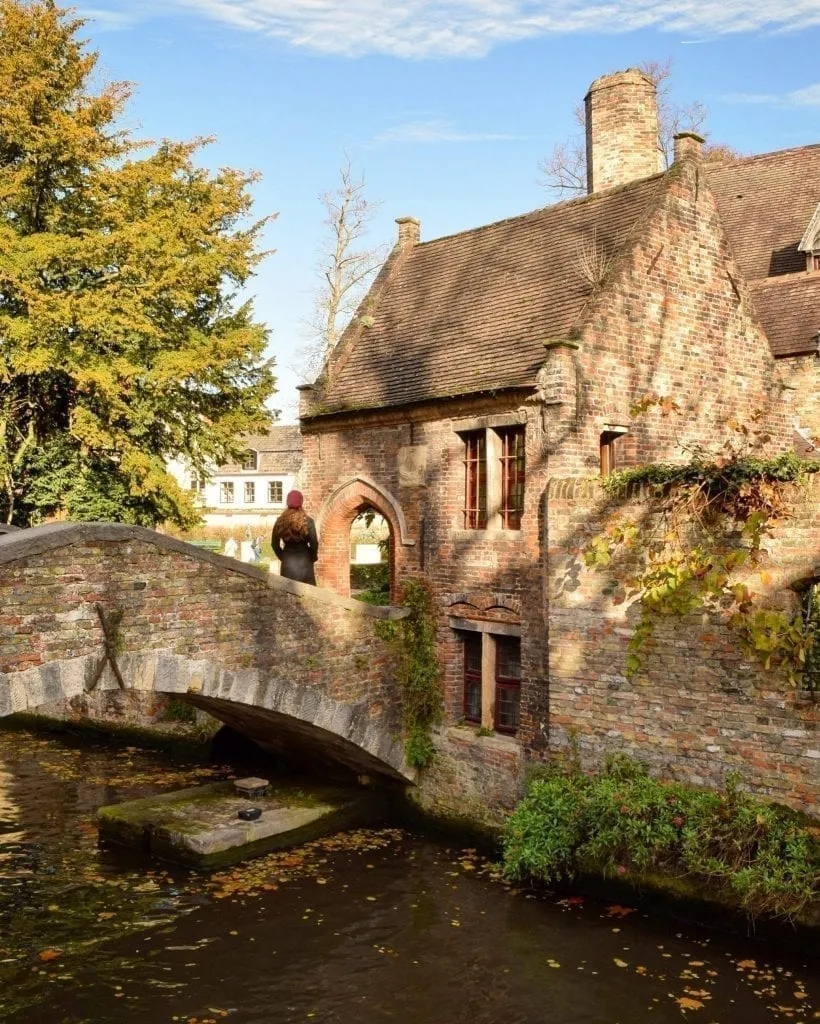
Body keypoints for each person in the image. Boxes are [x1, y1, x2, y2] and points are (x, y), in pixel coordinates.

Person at [271, 490, 319, 584]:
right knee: (308, 593)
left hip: (288, 561)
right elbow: (314, 544)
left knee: (288, 592)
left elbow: (274, 544)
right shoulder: (308, 521)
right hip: (305, 561)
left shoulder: (280, 521)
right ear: (301, 502)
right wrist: (312, 557)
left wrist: (283, 556)